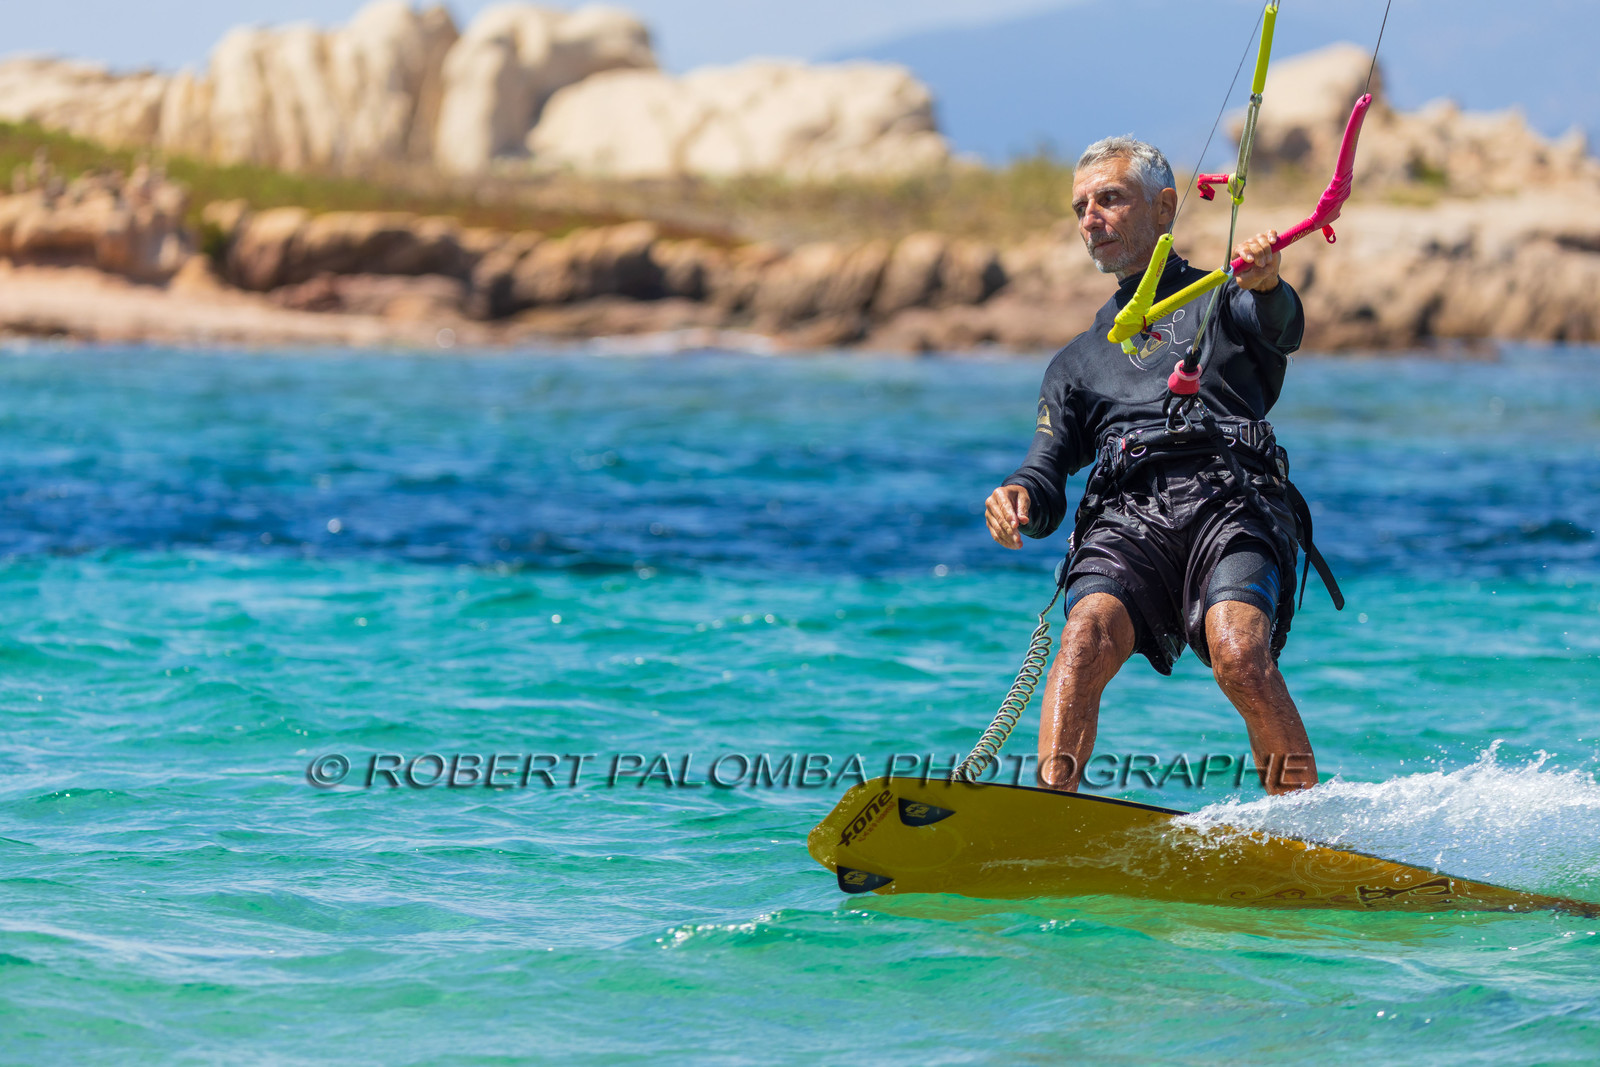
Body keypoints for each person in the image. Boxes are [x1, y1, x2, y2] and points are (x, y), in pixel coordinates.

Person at [984, 135, 1336, 796]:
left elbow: (1279, 324)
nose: (1091, 218)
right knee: (1084, 635)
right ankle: (1051, 814)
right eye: (1081, 207)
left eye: (1110, 199)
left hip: (1229, 501)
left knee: (1238, 653)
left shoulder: (1223, 299)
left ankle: (1306, 825)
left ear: (1165, 207)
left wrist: (1267, 283)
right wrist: (1017, 497)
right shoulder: (1077, 361)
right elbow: (1046, 467)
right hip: (1127, 517)